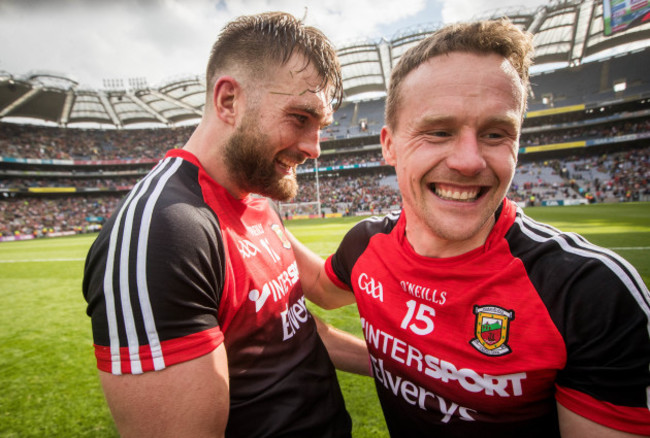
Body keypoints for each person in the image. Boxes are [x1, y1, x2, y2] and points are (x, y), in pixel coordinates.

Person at [291, 19, 650, 437]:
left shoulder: (590, 292)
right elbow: (321, 288)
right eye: (439, 131)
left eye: (496, 133)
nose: (469, 161)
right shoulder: (366, 244)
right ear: (388, 145)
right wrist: (249, 208)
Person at [83, 12, 369, 438]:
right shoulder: (164, 233)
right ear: (228, 101)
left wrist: (410, 366)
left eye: (321, 127)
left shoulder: (254, 193)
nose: (315, 148)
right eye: (300, 118)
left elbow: (296, 320)